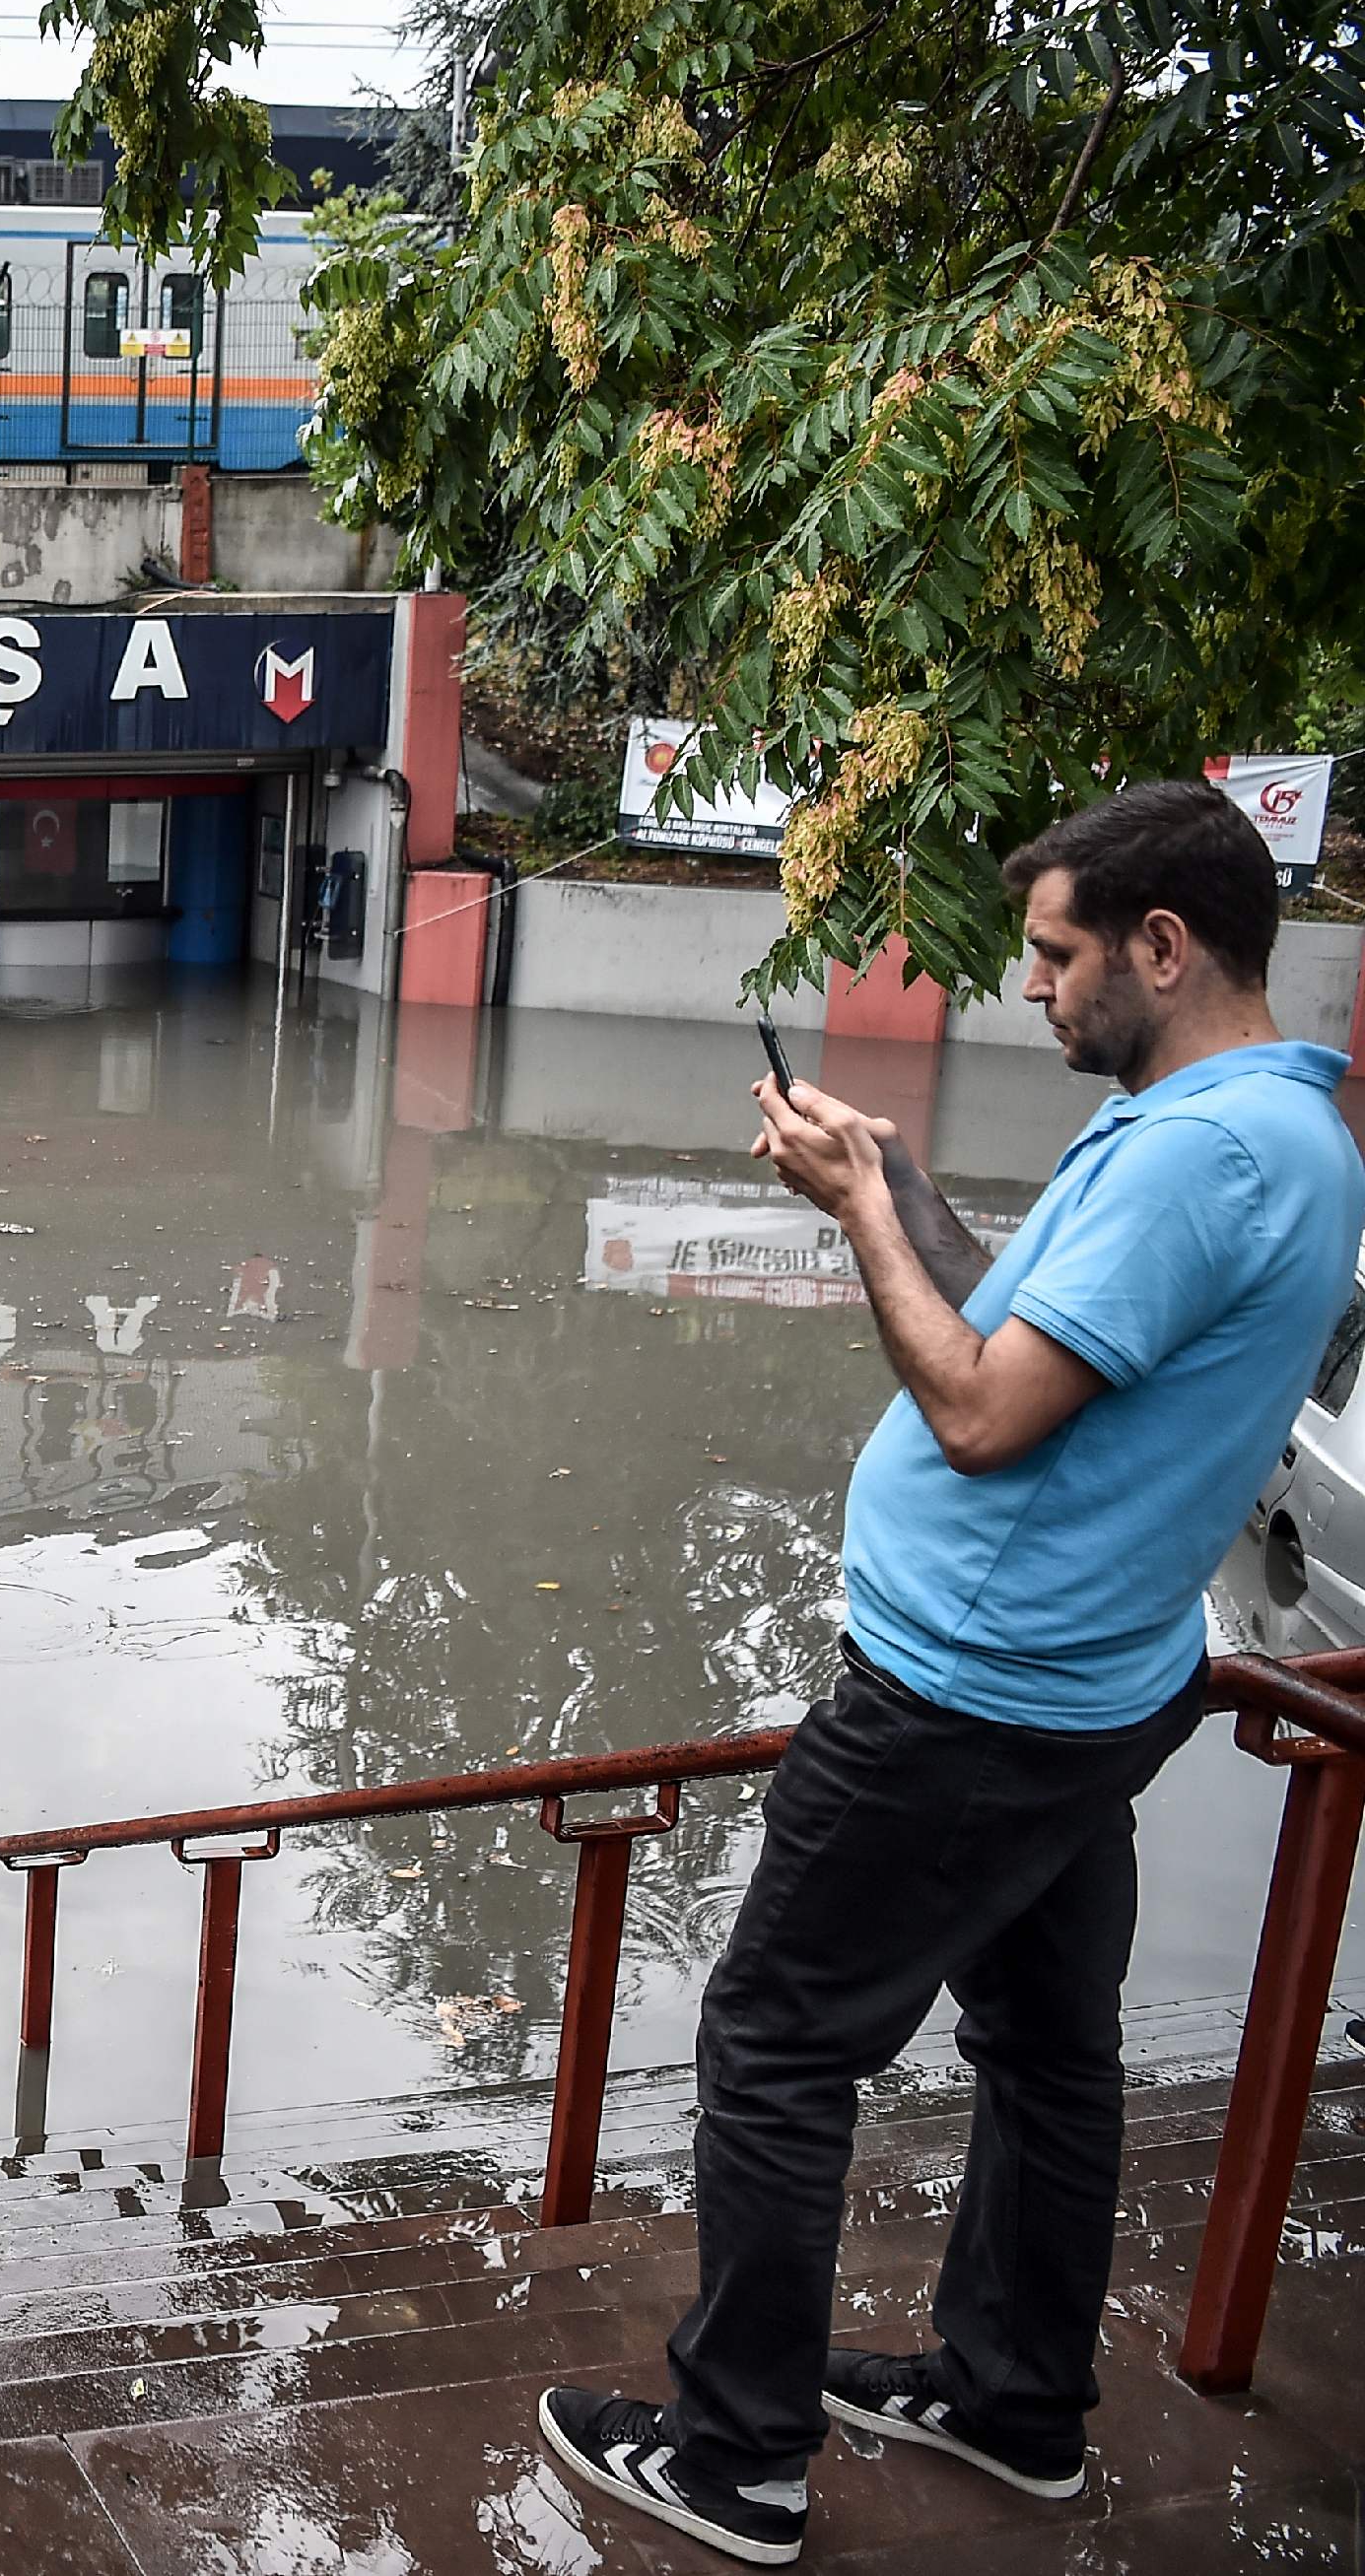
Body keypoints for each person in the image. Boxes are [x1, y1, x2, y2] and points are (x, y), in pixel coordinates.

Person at [542, 782, 1365, 2567]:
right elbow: (1036, 1330)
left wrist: (849, 1219)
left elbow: (985, 1412)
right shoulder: (1266, 1127)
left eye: (1062, 957)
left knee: (773, 2041)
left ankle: (737, 2457)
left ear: (1165, 944)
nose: (1038, 990)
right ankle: (1013, 2403)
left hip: (969, 1696)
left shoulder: (1195, 1156)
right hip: (1099, 1675)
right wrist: (903, 1185)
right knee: (1051, 2051)